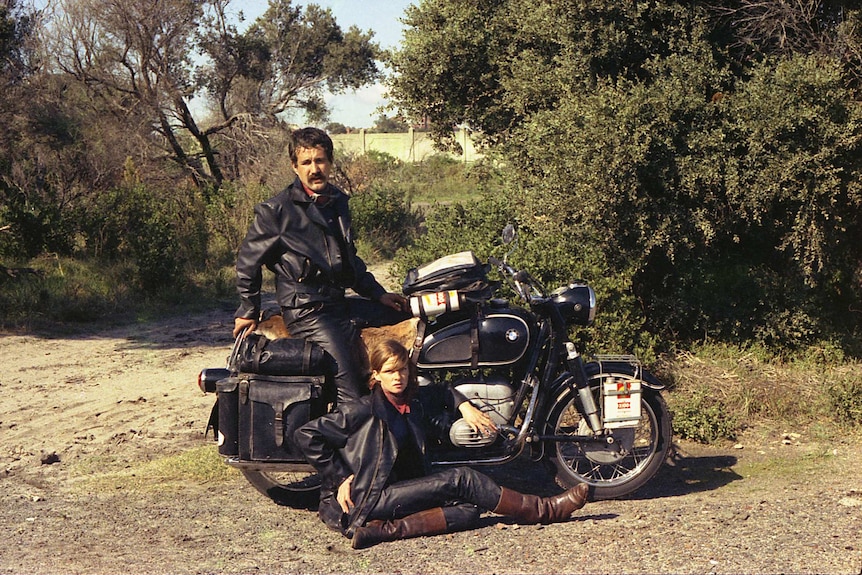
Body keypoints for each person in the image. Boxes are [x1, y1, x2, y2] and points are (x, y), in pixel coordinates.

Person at [294, 339, 590, 549]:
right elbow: (307, 434)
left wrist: (465, 406)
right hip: (370, 496)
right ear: (376, 376)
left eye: (402, 370)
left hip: (399, 490)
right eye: (389, 371)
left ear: (409, 371)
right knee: (462, 479)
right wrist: (340, 477)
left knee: (469, 510)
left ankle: (382, 532)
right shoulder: (362, 409)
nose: (397, 377)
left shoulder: (413, 401)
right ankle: (545, 509)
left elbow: (444, 391)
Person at [233, 127, 408, 404]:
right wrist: (248, 309)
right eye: (306, 162)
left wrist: (379, 294)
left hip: (338, 304)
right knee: (352, 390)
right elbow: (247, 262)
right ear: (295, 166)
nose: (314, 169)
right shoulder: (276, 211)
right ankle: (346, 433)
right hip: (307, 311)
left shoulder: (337, 202)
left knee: (412, 324)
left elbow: (348, 262)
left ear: (330, 162)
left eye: (320, 160)